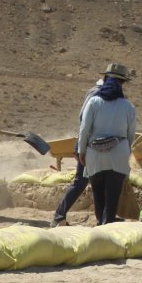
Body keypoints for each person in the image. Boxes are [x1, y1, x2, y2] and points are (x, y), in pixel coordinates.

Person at [78, 63, 137, 225]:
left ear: (105, 80)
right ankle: (108, 222)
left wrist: (81, 151)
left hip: (94, 154)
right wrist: (127, 152)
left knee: (98, 192)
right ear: (122, 83)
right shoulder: (128, 106)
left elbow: (84, 130)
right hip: (119, 152)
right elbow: (131, 135)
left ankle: (99, 222)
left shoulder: (94, 102)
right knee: (113, 194)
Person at [49, 76, 104, 228]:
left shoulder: (92, 93)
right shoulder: (97, 95)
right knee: (83, 181)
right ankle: (59, 216)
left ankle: (100, 218)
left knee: (90, 181)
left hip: (85, 143)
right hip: (88, 144)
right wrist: (81, 148)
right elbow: (85, 122)